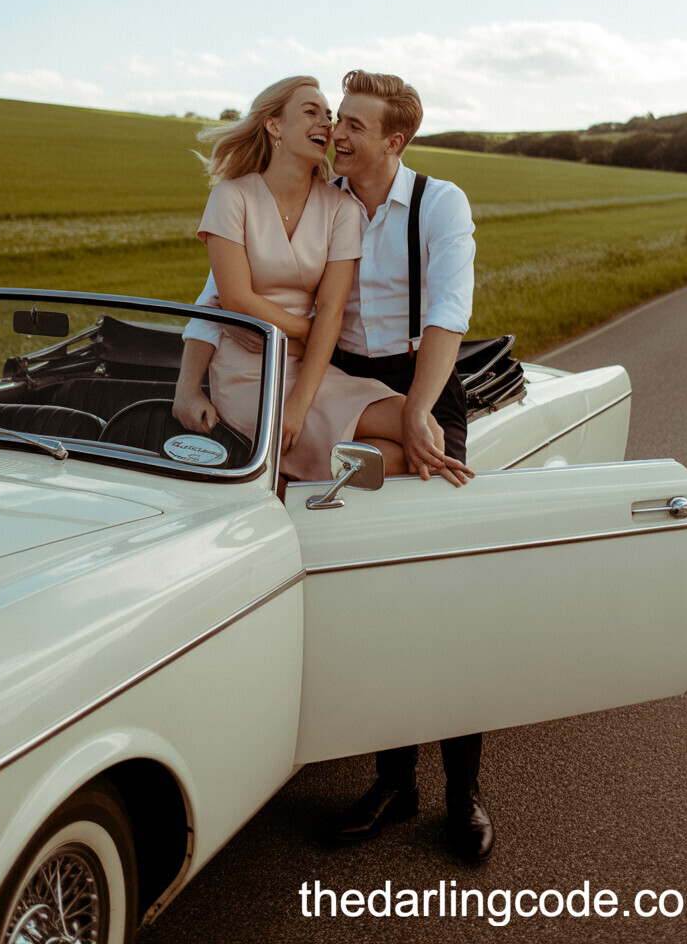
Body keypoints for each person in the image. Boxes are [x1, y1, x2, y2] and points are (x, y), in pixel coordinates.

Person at [175, 69, 492, 861]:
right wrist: (193, 377)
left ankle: (464, 791)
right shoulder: (334, 200)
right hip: (335, 376)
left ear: (395, 139)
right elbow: (221, 287)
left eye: (353, 123)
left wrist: (420, 407)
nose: (338, 133)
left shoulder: (438, 204)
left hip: (418, 383)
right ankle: (392, 781)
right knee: (372, 591)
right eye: (334, 119)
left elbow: (448, 315)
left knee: (444, 595)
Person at [177, 75, 439, 482]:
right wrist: (189, 388)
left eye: (328, 115)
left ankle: (290, 479)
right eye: (310, 112)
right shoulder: (231, 197)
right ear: (274, 125)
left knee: (424, 434)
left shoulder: (341, 209)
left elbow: (333, 310)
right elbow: (231, 299)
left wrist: (298, 401)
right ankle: (288, 485)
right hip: (247, 374)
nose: (327, 125)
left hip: (310, 369)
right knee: (383, 459)